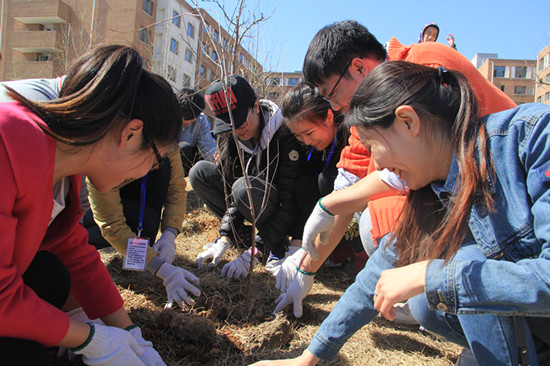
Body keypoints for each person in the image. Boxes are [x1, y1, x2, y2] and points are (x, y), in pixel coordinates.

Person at [254, 60, 550, 366]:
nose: (378, 167)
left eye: (372, 146)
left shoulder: (534, 138)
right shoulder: (431, 188)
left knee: (451, 271)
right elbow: (373, 278)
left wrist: (432, 274)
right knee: (426, 301)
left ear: (407, 121)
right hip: (533, 331)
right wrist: (307, 359)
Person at [274, 20, 517, 322]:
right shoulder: (363, 121)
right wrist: (305, 268)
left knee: (386, 216)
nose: (335, 108)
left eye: (332, 93)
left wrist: (332, 205)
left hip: (508, 193)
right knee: (375, 219)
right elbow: (347, 188)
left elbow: (432, 164)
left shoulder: (422, 66)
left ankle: (469, 307)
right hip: (470, 198)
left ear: (360, 68)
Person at [0, 45, 179, 365]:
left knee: (52, 274)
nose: (143, 174)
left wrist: (130, 333)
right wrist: (92, 339)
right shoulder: (9, 140)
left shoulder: (64, 166)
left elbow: (73, 249)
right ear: (130, 134)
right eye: (152, 162)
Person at [189, 75, 304, 280]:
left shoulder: (285, 134)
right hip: (246, 198)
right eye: (229, 125)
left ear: (256, 106)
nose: (236, 130)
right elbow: (232, 188)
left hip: (278, 208)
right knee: (200, 172)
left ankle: (272, 244)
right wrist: (225, 236)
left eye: (240, 121)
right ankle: (240, 235)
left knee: (245, 187)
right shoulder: (232, 135)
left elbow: (290, 200)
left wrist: (256, 250)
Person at [177, 88, 217, 175]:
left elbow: (207, 145)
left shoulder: (201, 120)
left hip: (190, 160)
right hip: (171, 158)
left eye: (192, 119)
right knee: (183, 147)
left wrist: (216, 160)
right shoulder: (166, 117)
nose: (188, 122)